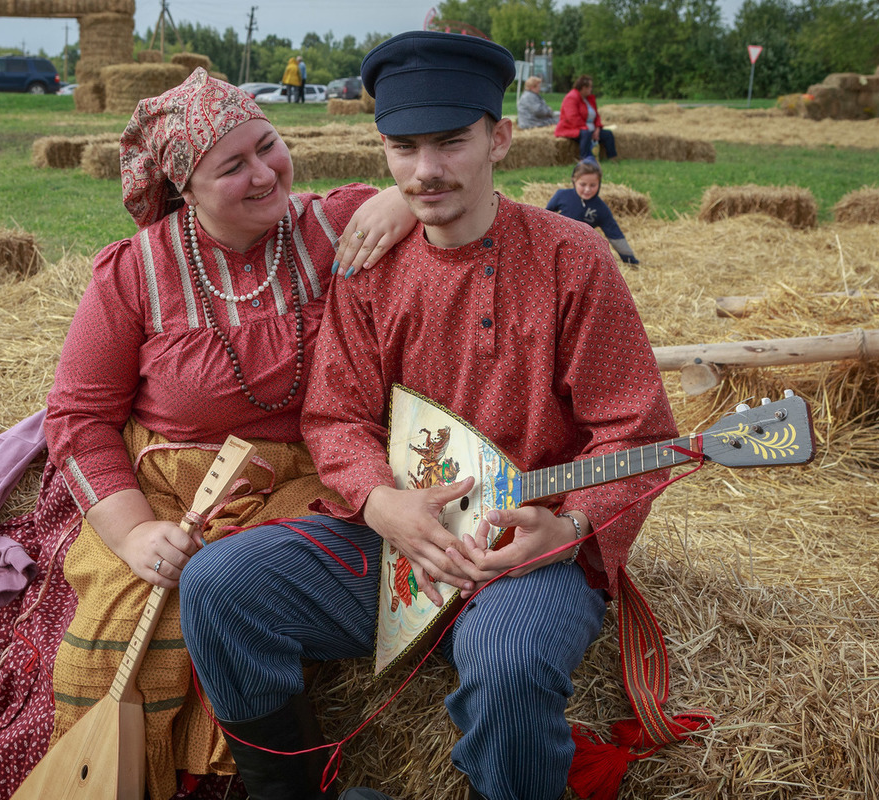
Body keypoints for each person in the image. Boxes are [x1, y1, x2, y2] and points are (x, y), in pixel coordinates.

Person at [179, 31, 677, 800]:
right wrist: (384, 504)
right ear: (382, 150)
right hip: (397, 540)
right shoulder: (370, 265)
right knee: (217, 584)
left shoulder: (570, 257)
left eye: (450, 142)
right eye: (404, 148)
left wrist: (571, 527)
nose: (427, 170)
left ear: (499, 138)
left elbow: (638, 432)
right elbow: (337, 417)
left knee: (507, 660)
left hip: (525, 549)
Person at [0, 67, 416, 800]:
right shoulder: (136, 274)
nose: (263, 173)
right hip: (171, 492)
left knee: (242, 602)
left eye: (269, 146)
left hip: (313, 478)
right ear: (185, 187)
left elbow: (451, 195)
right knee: (125, 635)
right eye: (232, 165)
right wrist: (132, 535)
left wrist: (401, 199)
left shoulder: (336, 224)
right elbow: (81, 418)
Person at [546, 157, 640, 265]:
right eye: (583, 184)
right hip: (558, 246)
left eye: (593, 185)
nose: (587, 189)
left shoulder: (600, 208)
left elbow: (614, 234)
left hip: (580, 254)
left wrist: (630, 261)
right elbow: (545, 219)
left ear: (599, 184)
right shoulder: (561, 195)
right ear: (574, 180)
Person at [556, 74, 617, 161]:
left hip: (590, 128)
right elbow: (572, 118)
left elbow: (596, 116)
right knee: (586, 134)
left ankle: (612, 158)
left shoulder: (590, 99)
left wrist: (597, 129)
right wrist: (587, 129)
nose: (591, 89)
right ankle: (584, 159)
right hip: (572, 128)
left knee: (608, 134)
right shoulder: (571, 98)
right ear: (583, 87)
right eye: (590, 87)